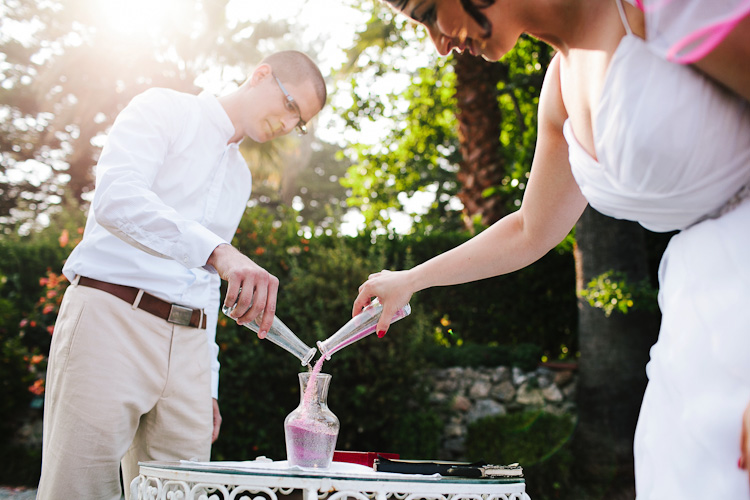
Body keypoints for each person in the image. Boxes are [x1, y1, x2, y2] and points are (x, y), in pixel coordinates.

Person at [352, 0, 750, 498]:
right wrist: (411, 279)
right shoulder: (559, 86)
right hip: (691, 334)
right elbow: (529, 229)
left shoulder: (652, 8)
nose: (440, 41)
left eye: (431, 12)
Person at [36, 50, 326, 500]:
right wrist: (217, 250)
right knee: (78, 490)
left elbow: (208, 283)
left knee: (182, 493)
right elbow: (116, 198)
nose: (289, 125)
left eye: (300, 122)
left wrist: (206, 383)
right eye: (290, 105)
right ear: (261, 75)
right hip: (110, 317)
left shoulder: (240, 177)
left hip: (189, 347)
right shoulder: (163, 109)